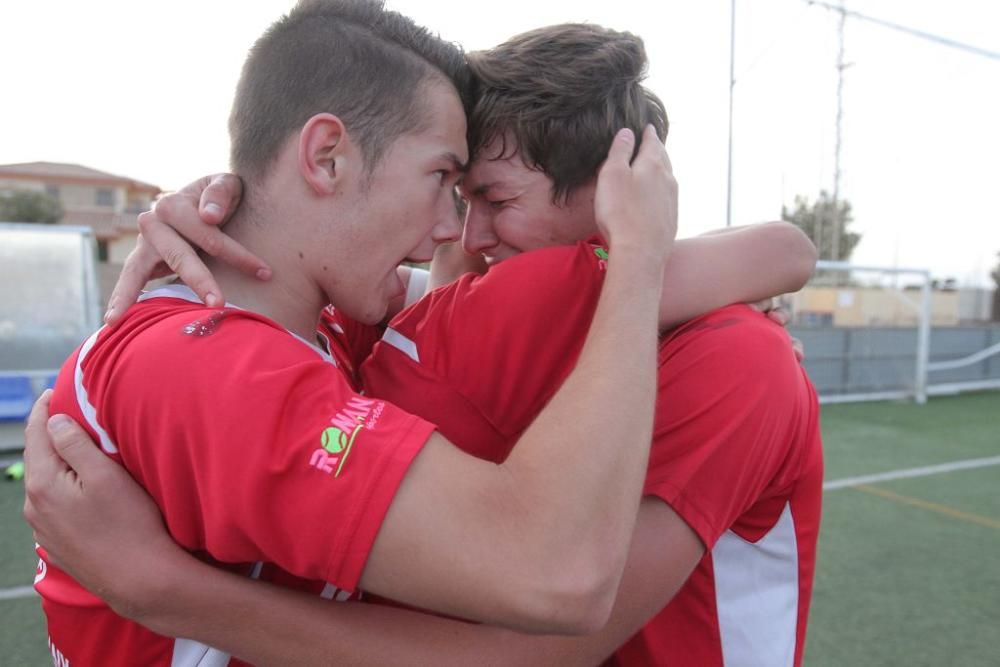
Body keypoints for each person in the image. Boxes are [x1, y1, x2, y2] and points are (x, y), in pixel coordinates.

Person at [25, 20, 822, 667]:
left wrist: (163, 590)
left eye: (486, 195)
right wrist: (215, 201)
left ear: (621, 195)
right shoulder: (260, 347)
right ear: (326, 155)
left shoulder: (723, 351)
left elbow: (554, 615)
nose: (458, 233)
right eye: (446, 184)